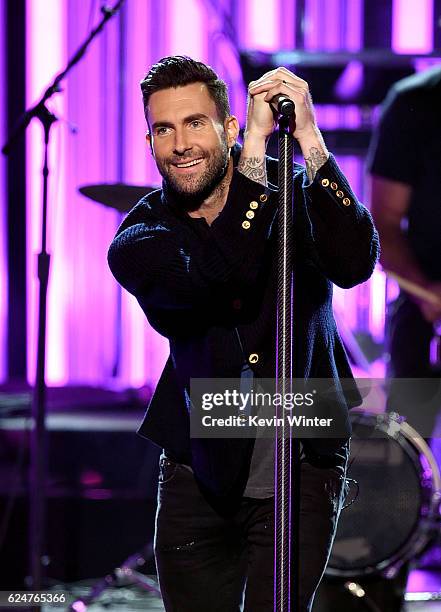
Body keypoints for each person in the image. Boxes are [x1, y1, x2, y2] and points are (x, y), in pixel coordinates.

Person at [108, 56, 379, 611]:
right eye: (165, 129)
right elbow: (222, 270)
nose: (181, 143)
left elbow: (355, 262)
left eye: (196, 123)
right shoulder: (141, 238)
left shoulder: (294, 191)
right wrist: (254, 161)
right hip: (198, 475)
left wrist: (310, 140)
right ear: (149, 140)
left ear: (228, 127)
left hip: (302, 464)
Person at [367, 65, 441, 437]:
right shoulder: (417, 102)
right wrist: (429, 295)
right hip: (425, 311)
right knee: (409, 459)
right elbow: (383, 224)